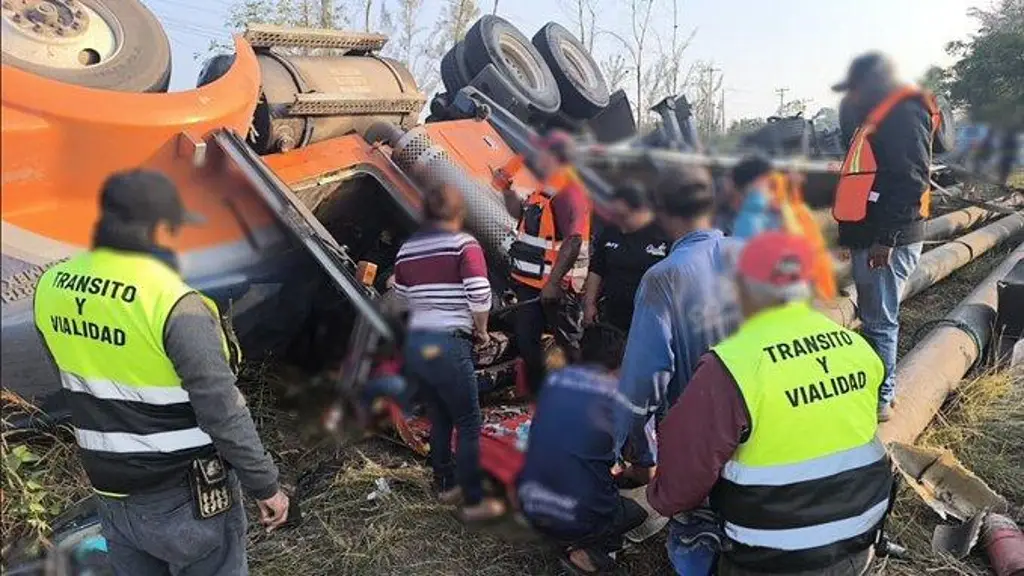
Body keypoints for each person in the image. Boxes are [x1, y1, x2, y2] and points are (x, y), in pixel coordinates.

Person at [33, 169, 288, 576]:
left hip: (111, 492)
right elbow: (221, 410)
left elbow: (73, 378)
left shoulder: (52, 286)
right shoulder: (175, 304)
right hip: (184, 497)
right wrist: (266, 485)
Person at [648, 232, 893, 576]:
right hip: (858, 543)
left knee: (688, 523)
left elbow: (679, 485)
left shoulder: (733, 365)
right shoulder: (858, 349)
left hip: (772, 559)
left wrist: (656, 494)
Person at [613, 164, 744, 572]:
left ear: (661, 211)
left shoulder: (664, 277)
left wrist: (633, 444)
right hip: (765, 419)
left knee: (695, 525)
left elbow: (643, 382)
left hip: (697, 431)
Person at [831, 52, 947, 421]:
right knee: (873, 313)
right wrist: (851, 235)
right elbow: (864, 177)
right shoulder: (877, 116)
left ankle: (881, 400)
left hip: (888, 237)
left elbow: (909, 181)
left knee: (880, 319)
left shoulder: (901, 113)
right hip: (871, 232)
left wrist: (886, 239)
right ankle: (876, 389)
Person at [392, 182, 506, 522]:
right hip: (448, 342)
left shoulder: (408, 250)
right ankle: (472, 501)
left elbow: (400, 299)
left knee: (439, 414)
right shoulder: (464, 245)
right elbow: (479, 292)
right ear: (458, 213)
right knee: (469, 421)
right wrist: (482, 331)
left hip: (417, 343)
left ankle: (444, 484)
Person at [517, 323, 647, 575]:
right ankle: (587, 552)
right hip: (579, 514)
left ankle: (573, 541)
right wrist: (630, 471)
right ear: (620, 365)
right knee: (647, 506)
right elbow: (646, 474)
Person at [502, 130, 592, 393]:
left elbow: (573, 241)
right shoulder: (546, 187)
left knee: (569, 346)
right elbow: (521, 215)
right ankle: (541, 401)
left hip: (557, 289)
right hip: (529, 284)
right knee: (528, 343)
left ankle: (581, 398)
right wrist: (507, 191)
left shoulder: (570, 192)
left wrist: (552, 284)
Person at [583, 182, 671, 333]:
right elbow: (597, 269)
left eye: (625, 217)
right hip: (611, 318)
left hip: (649, 320)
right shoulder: (611, 231)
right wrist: (589, 303)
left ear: (642, 211)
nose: (620, 223)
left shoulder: (665, 236)